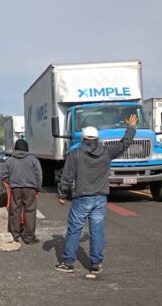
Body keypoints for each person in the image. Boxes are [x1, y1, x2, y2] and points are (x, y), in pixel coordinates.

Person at [55, 114, 138, 276]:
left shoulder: (76, 153)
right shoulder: (107, 152)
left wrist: (62, 194)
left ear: (84, 137)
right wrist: (131, 128)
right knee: (97, 231)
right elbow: (124, 144)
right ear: (97, 138)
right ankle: (96, 264)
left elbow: (66, 176)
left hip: (81, 198)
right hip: (100, 198)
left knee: (74, 231)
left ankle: (68, 263)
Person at [0, 138, 43, 244]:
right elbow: (39, 175)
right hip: (30, 189)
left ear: (15, 149)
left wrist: (11, 183)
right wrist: (38, 188)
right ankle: (29, 238)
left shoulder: (10, 160)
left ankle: (14, 236)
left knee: (14, 211)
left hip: (15, 189)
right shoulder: (33, 160)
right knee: (30, 212)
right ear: (26, 148)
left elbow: (3, 176)